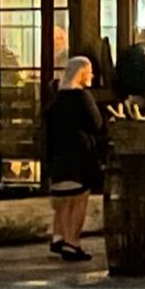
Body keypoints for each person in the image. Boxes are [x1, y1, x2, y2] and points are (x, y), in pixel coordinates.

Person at [44, 56, 103, 262]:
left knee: (63, 199)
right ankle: (72, 242)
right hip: (80, 155)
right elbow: (96, 124)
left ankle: (59, 236)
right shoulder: (82, 98)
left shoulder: (57, 100)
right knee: (79, 199)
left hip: (60, 155)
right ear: (81, 73)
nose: (92, 76)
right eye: (90, 71)